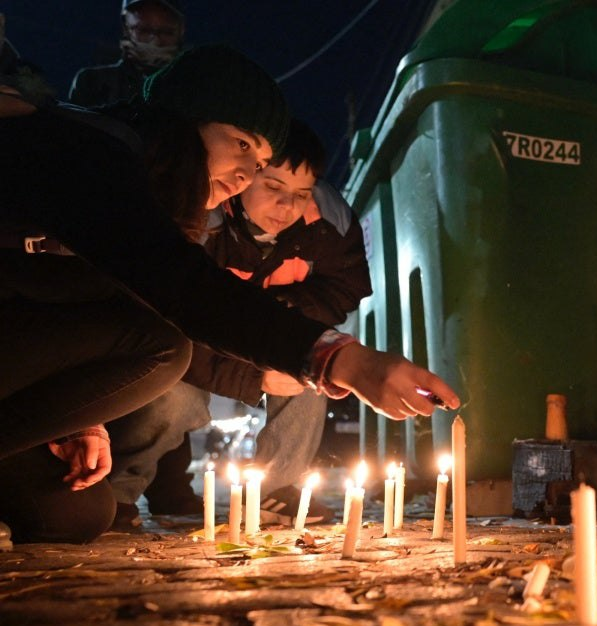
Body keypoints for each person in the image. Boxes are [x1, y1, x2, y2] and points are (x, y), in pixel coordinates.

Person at [0, 44, 459, 544]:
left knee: (77, 515)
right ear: (184, 120)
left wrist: (79, 423)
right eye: (241, 144)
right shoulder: (90, 152)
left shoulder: (152, 199)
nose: (245, 174)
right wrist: (342, 360)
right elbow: (186, 290)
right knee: (164, 349)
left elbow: (113, 300)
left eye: (258, 159)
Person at [108, 119, 370, 527]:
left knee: (311, 364)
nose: (287, 207)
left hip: (263, 336)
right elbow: (170, 321)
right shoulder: (199, 218)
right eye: (273, 188)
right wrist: (252, 379)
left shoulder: (328, 224)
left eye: (301, 194)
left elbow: (342, 287)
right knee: (174, 398)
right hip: (192, 345)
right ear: (243, 179)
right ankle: (117, 493)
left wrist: (284, 311)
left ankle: (275, 489)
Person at [69, 0, 185, 107]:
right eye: (144, 30)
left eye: (166, 32)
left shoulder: (195, 85)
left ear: (181, 31)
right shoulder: (91, 82)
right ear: (126, 28)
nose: (155, 41)